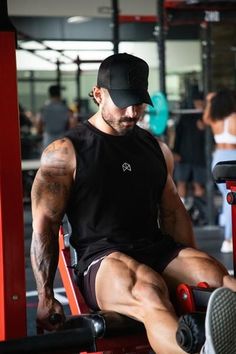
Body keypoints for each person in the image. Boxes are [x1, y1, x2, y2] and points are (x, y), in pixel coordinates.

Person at [31, 53, 236, 354]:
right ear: (98, 94)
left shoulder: (155, 148)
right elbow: (45, 226)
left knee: (221, 281)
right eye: (123, 102)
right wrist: (45, 296)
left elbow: (173, 213)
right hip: (103, 259)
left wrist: (191, 262)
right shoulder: (65, 153)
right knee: (148, 290)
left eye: (138, 102)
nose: (131, 111)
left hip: (156, 248)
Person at [203, 89, 236, 253]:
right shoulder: (234, 118)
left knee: (227, 198)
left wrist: (209, 102)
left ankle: (228, 236)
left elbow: (205, 118)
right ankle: (229, 239)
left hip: (218, 160)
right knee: (232, 200)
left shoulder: (215, 119)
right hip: (232, 160)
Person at [173, 92, 207, 224]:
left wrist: (205, 128)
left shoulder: (206, 117)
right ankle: (182, 215)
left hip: (199, 156)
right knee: (181, 183)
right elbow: (178, 136)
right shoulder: (185, 117)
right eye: (198, 102)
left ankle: (200, 214)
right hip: (183, 156)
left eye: (201, 102)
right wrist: (175, 152)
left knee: (198, 186)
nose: (200, 104)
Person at [35, 84, 77, 150]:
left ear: (50, 94)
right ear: (60, 94)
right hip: (62, 139)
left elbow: (38, 125)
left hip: (48, 140)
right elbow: (73, 125)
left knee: (48, 159)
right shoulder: (66, 109)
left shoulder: (44, 109)